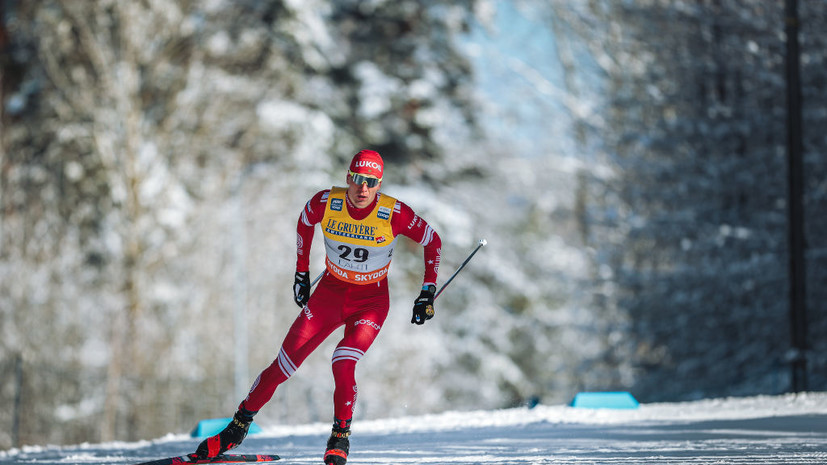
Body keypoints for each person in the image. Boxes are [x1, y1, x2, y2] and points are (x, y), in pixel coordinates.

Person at [195, 149, 442, 465]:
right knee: (282, 366)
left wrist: (427, 291)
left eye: (371, 182)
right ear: (347, 178)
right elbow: (304, 220)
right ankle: (236, 428)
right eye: (356, 179)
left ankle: (340, 438)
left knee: (342, 361)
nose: (362, 189)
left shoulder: (394, 213)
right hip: (330, 295)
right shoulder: (328, 202)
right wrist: (301, 272)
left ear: (379, 184)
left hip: (370, 302)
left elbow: (432, 240)